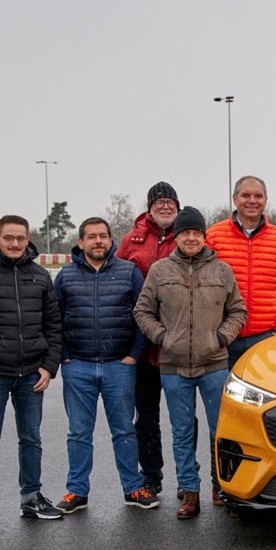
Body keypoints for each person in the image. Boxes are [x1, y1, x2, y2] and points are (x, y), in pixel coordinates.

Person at [134, 207, 247, 519]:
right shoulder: (159, 271)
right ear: (178, 237)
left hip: (214, 364)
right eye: (185, 233)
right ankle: (189, 491)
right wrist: (162, 337)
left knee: (220, 431)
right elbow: (141, 311)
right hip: (174, 367)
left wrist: (221, 338)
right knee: (182, 432)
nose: (191, 238)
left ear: (204, 236)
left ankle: (220, 486)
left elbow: (238, 310)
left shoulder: (222, 270)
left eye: (196, 233)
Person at [0, 215, 64, 528]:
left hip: (32, 372)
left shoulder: (40, 275)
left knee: (31, 438)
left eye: (21, 238)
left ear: (28, 238)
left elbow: (53, 324)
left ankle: (31, 497)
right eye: (9, 238)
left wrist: (49, 366)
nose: (15, 243)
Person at [53, 217, 155, 513]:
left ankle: (133, 488)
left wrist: (134, 355)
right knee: (78, 433)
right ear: (81, 242)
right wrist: (65, 356)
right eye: (91, 236)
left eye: (103, 236)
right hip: (78, 366)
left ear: (111, 241)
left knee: (124, 430)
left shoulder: (129, 273)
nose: (98, 241)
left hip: (118, 366)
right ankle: (76, 491)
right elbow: (54, 319)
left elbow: (143, 315)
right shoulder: (65, 276)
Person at [115, 182, 181, 497]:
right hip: (142, 346)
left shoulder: (190, 236)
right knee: (146, 417)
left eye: (170, 202)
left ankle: (188, 478)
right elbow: (115, 282)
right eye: (160, 202)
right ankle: (151, 475)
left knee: (184, 419)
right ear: (150, 207)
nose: (165, 206)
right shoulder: (131, 241)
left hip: (180, 347)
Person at [204, 175, 276, 370]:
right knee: (223, 398)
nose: (252, 201)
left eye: (258, 196)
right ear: (234, 199)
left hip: (265, 339)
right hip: (223, 338)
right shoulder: (213, 236)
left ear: (265, 200)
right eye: (245, 195)